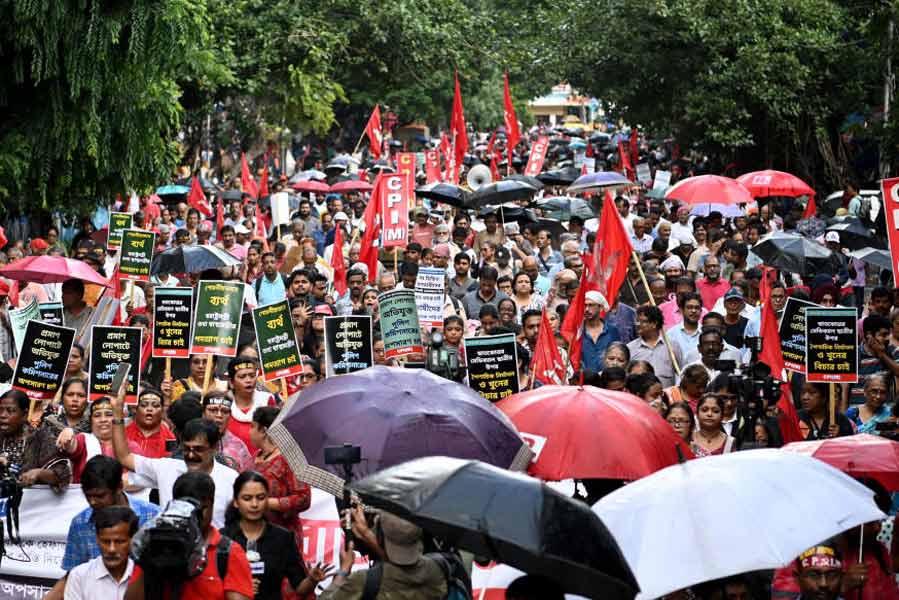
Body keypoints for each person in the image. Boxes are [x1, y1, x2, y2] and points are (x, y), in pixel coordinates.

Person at [112, 380, 238, 527]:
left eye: (198, 449)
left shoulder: (231, 479)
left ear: (214, 447)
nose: (191, 456)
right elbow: (124, 457)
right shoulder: (167, 468)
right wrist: (117, 412)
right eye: (187, 449)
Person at [125, 471, 254, 600]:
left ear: (211, 505)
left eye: (201, 509)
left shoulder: (228, 552)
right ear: (175, 505)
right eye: (187, 509)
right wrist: (147, 563)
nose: (195, 516)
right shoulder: (157, 543)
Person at [223, 471, 329, 600]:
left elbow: (300, 588)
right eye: (247, 498)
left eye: (261, 498)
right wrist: (238, 588)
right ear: (236, 502)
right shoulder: (223, 539)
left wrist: (312, 580)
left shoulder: (283, 538)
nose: (255, 504)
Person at [317, 511, 447, 600]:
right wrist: (367, 534)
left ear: (379, 536)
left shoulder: (364, 580)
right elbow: (403, 569)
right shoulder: (438, 569)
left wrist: (343, 571)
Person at [248, 407, 311, 567]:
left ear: (263, 430)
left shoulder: (290, 459)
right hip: (255, 534)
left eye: (252, 426)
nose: (249, 432)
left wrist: (268, 503)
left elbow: (303, 498)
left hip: (283, 534)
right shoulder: (256, 457)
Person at [0, 389, 72, 490]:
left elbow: (62, 475)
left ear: (24, 415)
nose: (2, 415)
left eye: (10, 411)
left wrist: (39, 473)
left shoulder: (40, 437)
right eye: (0, 410)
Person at [64, 506, 138, 600]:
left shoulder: (144, 578)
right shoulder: (79, 576)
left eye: (119, 541)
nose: (112, 549)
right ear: (97, 539)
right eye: (106, 542)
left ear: (132, 540)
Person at [226, 356, 277, 452]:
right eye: (242, 377)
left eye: (252, 376)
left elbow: (275, 437)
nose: (248, 380)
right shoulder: (224, 404)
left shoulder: (267, 400)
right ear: (231, 382)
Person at [627, 305, 684, 388]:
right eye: (637, 321)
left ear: (654, 324)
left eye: (643, 321)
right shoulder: (630, 348)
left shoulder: (672, 346)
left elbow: (680, 372)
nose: (638, 324)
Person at [203, 391, 254, 472]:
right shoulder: (193, 442)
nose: (219, 415)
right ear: (203, 413)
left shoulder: (238, 446)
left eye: (225, 411)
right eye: (213, 410)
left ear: (230, 416)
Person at [125, 387, 176, 459]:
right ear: (136, 409)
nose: (149, 409)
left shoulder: (169, 438)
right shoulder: (124, 434)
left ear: (162, 410)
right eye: (144, 405)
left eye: (155, 405)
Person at [581, 291, 620, 373]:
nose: (587, 309)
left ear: (601, 308)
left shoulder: (612, 331)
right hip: (582, 380)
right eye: (584, 306)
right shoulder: (577, 332)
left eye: (591, 305)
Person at [691, 393, 736, 457]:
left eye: (715, 411)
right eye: (704, 410)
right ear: (697, 414)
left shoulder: (729, 442)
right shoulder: (689, 439)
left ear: (722, 416)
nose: (709, 414)